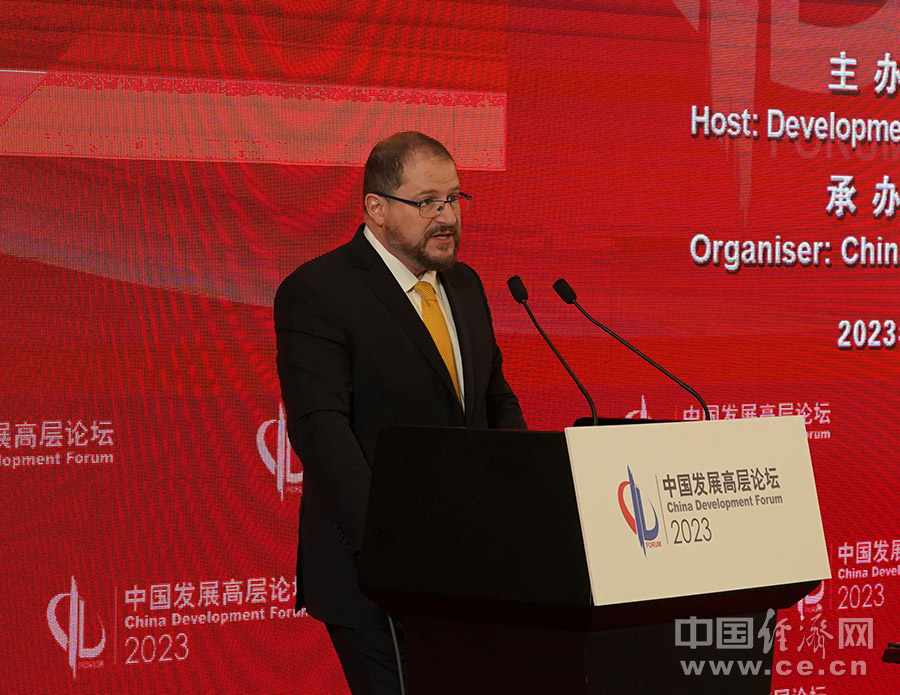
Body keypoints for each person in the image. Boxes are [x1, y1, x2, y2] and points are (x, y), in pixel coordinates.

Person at [274, 131, 526, 695]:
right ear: (377, 208)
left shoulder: (465, 285)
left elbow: (494, 400)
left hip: (472, 570)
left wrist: (523, 494)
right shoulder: (319, 291)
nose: (447, 217)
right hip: (377, 576)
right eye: (427, 202)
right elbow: (321, 431)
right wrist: (389, 546)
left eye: (454, 199)